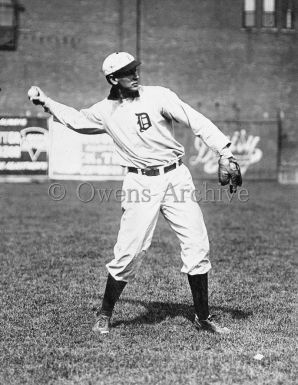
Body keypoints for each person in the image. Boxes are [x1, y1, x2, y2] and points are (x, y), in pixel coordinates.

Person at [28, 52, 242, 335]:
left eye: (136, 69)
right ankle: (104, 312)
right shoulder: (105, 111)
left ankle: (203, 317)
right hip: (140, 183)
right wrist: (47, 101)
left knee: (197, 245)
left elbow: (196, 120)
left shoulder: (158, 96)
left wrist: (225, 152)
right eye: (128, 72)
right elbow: (76, 120)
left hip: (176, 177)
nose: (135, 75)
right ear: (113, 79)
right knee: (129, 252)